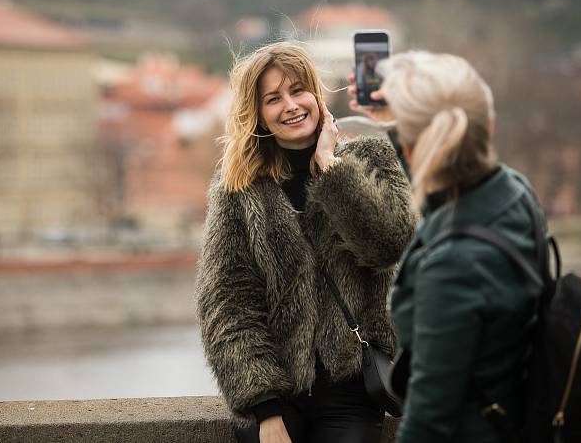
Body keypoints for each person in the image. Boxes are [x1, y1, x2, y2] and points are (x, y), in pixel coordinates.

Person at [196, 41, 416, 443]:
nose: (291, 105)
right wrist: (264, 407)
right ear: (258, 114)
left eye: (298, 91)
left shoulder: (370, 158)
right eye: (274, 98)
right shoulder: (238, 189)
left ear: (317, 95)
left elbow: (390, 243)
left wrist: (332, 170)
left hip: (352, 387)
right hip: (277, 391)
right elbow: (227, 305)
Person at [348, 51, 545, 442]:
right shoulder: (515, 193)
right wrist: (398, 128)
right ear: (488, 127)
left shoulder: (451, 267)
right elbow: (443, 193)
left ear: (410, 149)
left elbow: (428, 423)